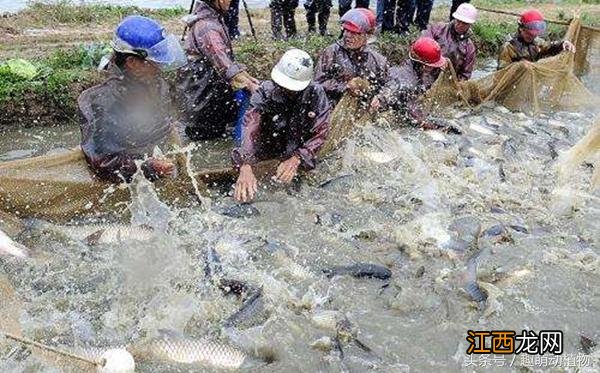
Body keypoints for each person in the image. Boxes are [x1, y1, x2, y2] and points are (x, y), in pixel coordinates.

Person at [79, 16, 187, 183]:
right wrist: (149, 168)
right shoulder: (100, 101)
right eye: (154, 63)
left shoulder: (156, 83)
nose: (160, 68)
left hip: (156, 160)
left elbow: (165, 124)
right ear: (132, 62)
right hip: (127, 180)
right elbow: (103, 163)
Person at [232, 49, 331, 203]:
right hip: (267, 150)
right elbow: (250, 127)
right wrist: (246, 164)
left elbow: (321, 132)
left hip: (298, 150)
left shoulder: (316, 93)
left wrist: (298, 158)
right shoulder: (265, 92)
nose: (287, 90)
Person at [178, 0, 259, 141]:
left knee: (209, 131)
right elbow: (224, 65)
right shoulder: (208, 28)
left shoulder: (213, 18)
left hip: (202, 94)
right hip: (203, 96)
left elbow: (226, 59)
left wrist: (247, 76)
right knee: (205, 135)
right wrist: (251, 85)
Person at [314, 8, 389, 106]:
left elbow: (390, 84)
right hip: (334, 105)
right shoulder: (331, 53)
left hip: (365, 108)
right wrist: (344, 86)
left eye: (355, 33)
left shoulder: (378, 60)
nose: (348, 36)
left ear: (368, 35)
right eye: (347, 31)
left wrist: (380, 98)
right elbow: (317, 83)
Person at [370, 37, 449, 130]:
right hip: (387, 111)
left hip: (396, 101)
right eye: (432, 66)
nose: (434, 68)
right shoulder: (408, 81)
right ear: (423, 65)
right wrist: (380, 99)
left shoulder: (411, 65)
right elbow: (395, 86)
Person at [497, 9, 576, 70]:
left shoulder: (536, 42)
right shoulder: (508, 47)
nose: (532, 37)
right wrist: (519, 66)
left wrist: (562, 44)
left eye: (534, 36)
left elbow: (549, 47)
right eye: (529, 35)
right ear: (521, 29)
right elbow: (502, 72)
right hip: (514, 83)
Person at [422, 3, 477, 81]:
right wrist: (437, 60)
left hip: (446, 81)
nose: (460, 25)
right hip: (425, 73)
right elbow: (423, 44)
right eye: (458, 21)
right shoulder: (438, 29)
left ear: (470, 25)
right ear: (455, 18)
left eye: (464, 23)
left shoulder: (469, 48)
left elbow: (465, 74)